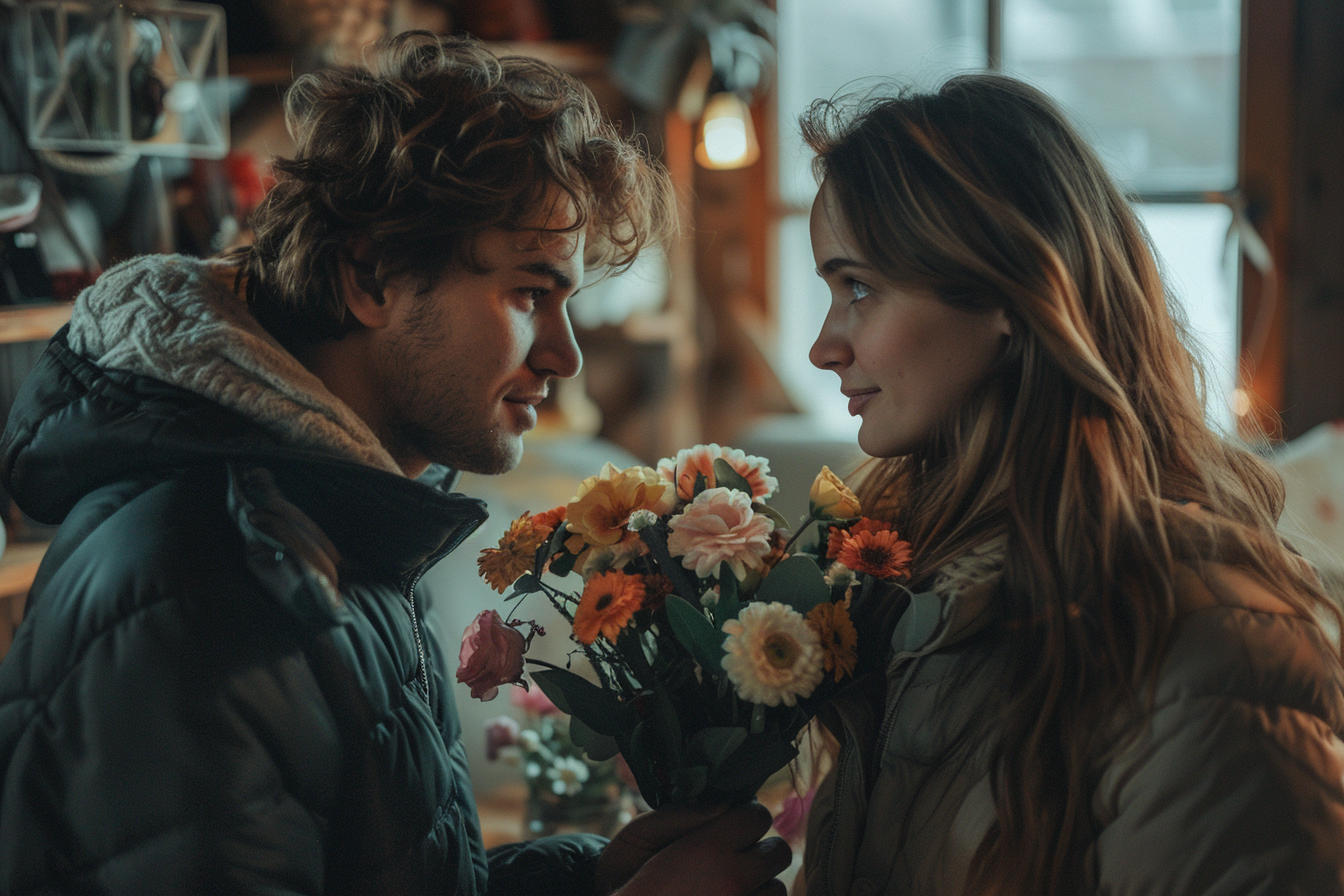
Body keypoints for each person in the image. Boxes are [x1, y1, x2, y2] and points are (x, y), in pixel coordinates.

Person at [0, 33, 790, 895]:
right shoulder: (208, 588)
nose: (565, 358)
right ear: (371, 277)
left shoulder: (334, 517)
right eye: (530, 292)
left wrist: (588, 884)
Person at [798, 73, 1344, 895]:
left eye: (859, 287)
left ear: (1006, 290)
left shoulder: (1202, 649)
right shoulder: (911, 596)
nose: (824, 346)